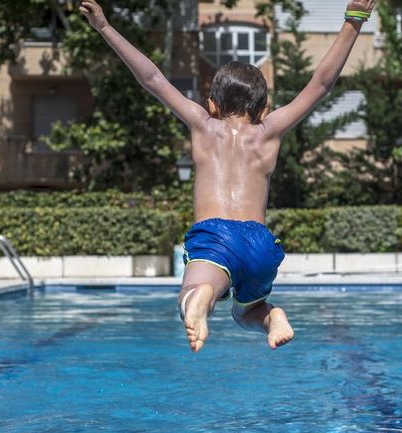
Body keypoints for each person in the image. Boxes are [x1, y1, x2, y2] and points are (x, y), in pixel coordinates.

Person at [80, 0, 376, 352]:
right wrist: (354, 19)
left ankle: (200, 297)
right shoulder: (269, 130)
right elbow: (322, 83)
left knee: (188, 300)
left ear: (212, 105)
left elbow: (152, 78)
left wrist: (104, 27)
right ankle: (273, 316)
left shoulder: (202, 124)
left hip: (214, 237)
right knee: (247, 311)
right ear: (263, 109)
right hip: (261, 244)